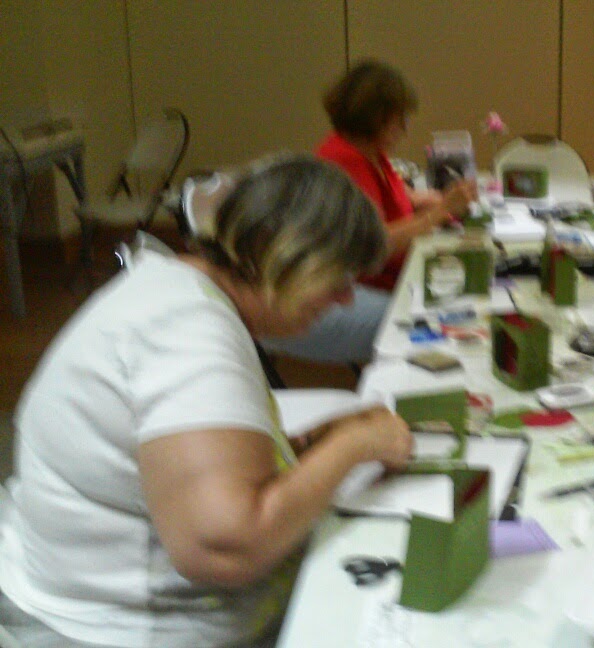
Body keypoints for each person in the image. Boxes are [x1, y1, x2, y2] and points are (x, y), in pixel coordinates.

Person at [0, 156, 414, 647]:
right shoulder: (187, 330)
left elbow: (205, 462)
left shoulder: (180, 290)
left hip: (95, 598)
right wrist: (353, 445)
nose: (345, 299)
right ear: (283, 256)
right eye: (339, 279)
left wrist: (314, 447)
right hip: (112, 629)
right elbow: (224, 549)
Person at [261, 60, 477, 365]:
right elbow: (373, 242)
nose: (405, 129)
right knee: (439, 324)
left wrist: (424, 200)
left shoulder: (370, 153)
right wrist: (440, 211)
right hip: (356, 287)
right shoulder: (343, 163)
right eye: (400, 119)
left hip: (385, 278)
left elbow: (392, 199)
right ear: (377, 118)